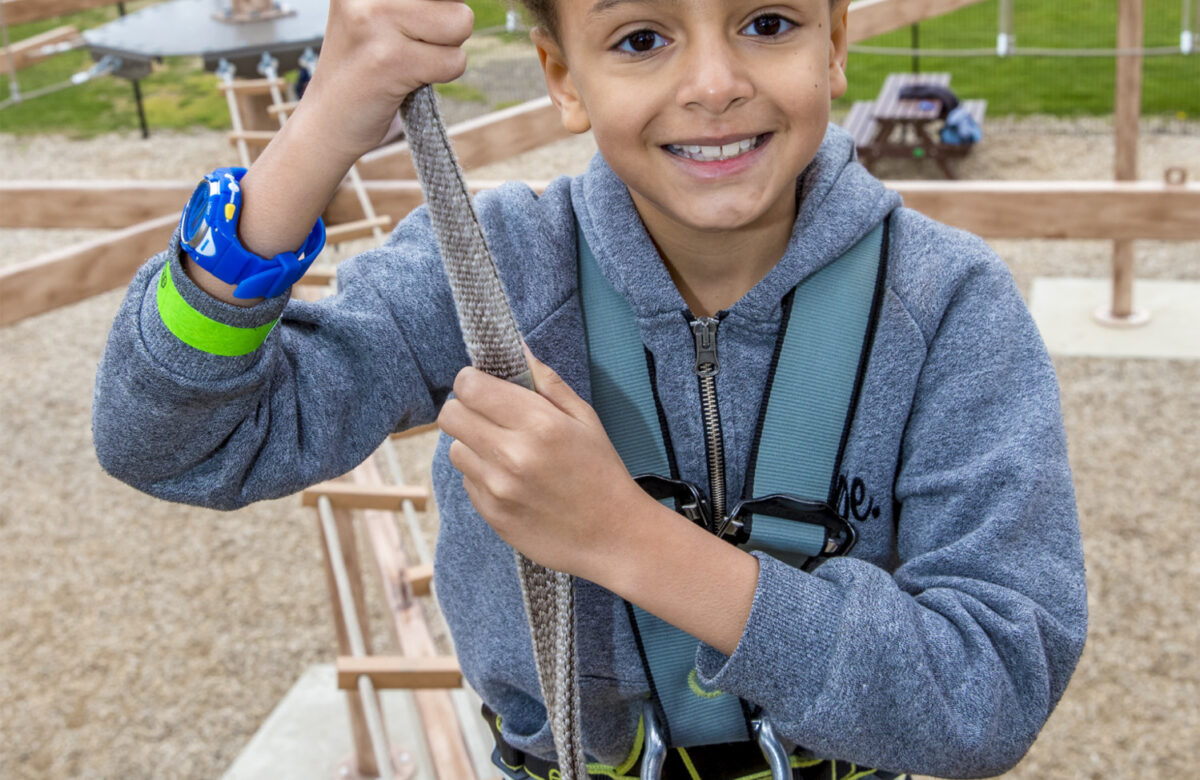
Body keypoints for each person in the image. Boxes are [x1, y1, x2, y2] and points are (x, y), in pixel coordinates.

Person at [92, 0, 1087, 777]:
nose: (714, 83)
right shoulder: (491, 278)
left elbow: (991, 687)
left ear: (834, 44)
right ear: (563, 77)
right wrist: (317, 134)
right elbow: (173, 440)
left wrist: (627, 538)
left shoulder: (945, 306)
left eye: (768, 24)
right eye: (642, 36)